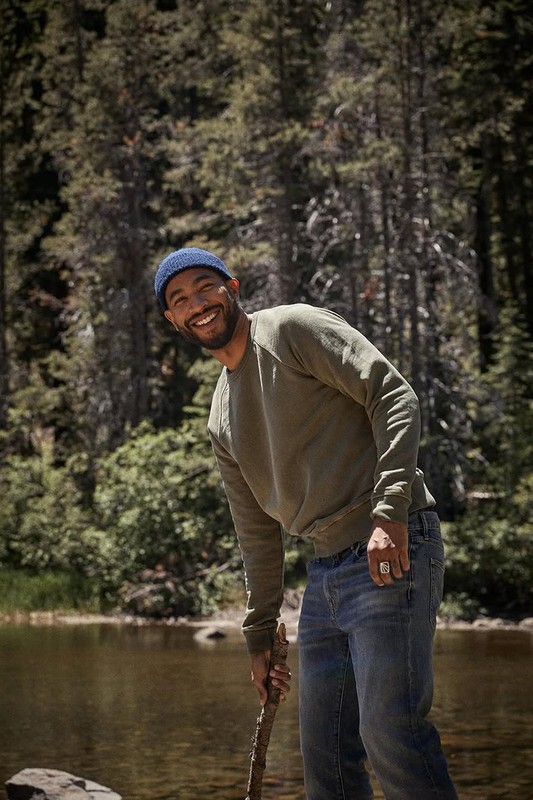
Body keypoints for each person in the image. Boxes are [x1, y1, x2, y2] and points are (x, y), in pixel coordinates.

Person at [154, 246, 458, 800]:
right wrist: (259, 634)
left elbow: (392, 395)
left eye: (204, 286)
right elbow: (255, 532)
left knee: (390, 733)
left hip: (391, 544)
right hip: (325, 572)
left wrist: (389, 512)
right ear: (173, 320)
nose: (196, 303)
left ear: (232, 288)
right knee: (325, 756)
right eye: (180, 299)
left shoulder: (291, 329)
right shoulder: (220, 416)